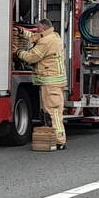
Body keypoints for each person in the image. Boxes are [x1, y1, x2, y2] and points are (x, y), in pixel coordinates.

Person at [16, 18, 67, 150]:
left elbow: (32, 57)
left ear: (43, 28)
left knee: (54, 111)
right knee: (51, 111)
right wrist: (23, 32)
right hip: (52, 81)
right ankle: (56, 138)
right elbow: (37, 37)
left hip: (50, 82)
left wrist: (18, 52)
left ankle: (59, 140)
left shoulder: (47, 41)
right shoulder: (53, 36)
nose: (37, 30)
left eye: (38, 28)